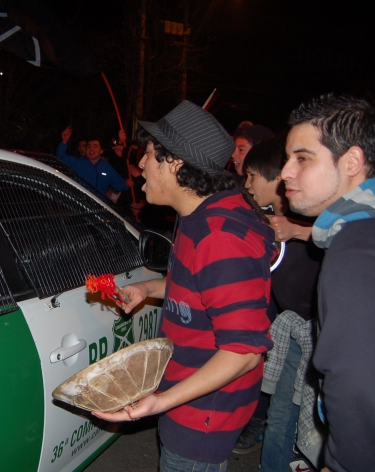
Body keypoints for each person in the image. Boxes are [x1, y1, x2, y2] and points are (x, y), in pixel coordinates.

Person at [93, 100, 276, 471]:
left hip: (204, 413)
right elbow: (199, 287)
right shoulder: (197, 216)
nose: (140, 164)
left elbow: (244, 353)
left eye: (147, 154)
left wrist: (162, 402)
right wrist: (149, 289)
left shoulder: (222, 236)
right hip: (188, 396)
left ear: (174, 163)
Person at [281, 93, 375, 472]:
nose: (286, 171)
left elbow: (358, 385)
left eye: (302, 158)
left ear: (351, 161)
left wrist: (341, 463)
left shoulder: (355, 248)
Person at [242, 136, 325, 471]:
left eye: (252, 176)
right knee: (279, 417)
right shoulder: (261, 222)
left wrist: (298, 230)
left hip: (322, 339)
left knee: (315, 427)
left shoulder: (318, 219)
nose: (246, 184)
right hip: (291, 334)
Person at [55, 126, 129, 197]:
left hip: (100, 207)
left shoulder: (107, 168)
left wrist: (128, 183)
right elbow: (61, 157)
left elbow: (120, 184)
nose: (91, 149)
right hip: (81, 205)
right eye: (89, 146)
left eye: (95, 146)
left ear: (101, 151)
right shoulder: (78, 163)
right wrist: (64, 142)